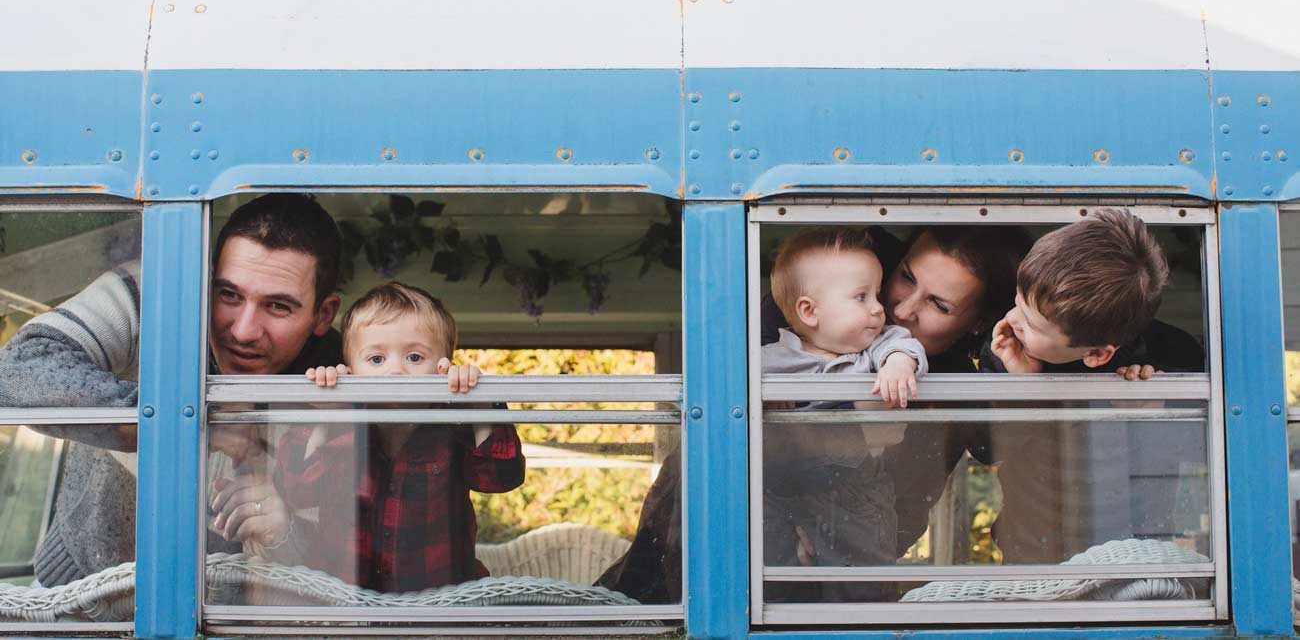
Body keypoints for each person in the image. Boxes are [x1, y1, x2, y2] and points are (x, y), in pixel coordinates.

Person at [597, 224, 1031, 602]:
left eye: (939, 304)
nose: (898, 309)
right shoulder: (822, 304)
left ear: (978, 324)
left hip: (850, 560)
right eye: (905, 277)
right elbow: (732, 428)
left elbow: (989, 448)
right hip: (725, 540)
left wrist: (1014, 373)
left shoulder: (953, 378)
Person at [0, 192, 345, 588]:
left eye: (278, 307)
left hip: (234, 619)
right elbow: (15, 371)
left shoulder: (340, 379)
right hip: (75, 592)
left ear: (324, 314)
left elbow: (344, 567)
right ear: (207, 276)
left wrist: (283, 533)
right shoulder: (155, 293)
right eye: (228, 294)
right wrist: (187, 420)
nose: (244, 331)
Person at [211, 283, 524, 592]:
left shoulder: (453, 425)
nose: (396, 371)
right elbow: (298, 488)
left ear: (444, 367)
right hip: (346, 599)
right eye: (376, 360)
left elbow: (502, 476)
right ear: (351, 370)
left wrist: (479, 404)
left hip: (440, 600)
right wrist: (325, 414)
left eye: (415, 357)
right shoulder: (343, 423)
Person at [978, 208, 1206, 562]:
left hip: (1138, 546)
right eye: (1017, 301)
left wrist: (1156, 411)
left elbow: (1209, 452)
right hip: (1034, 544)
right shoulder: (1006, 348)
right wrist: (1023, 386)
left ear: (1098, 354)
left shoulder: (1171, 356)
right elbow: (985, 451)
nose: (1012, 321)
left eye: (1032, 324)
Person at [760, 227, 927, 601]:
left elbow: (906, 346)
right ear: (809, 311)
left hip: (855, 491)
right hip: (781, 490)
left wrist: (898, 365)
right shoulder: (769, 361)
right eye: (861, 296)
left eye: (876, 294)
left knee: (862, 582)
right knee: (776, 577)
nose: (878, 308)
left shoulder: (875, 347)